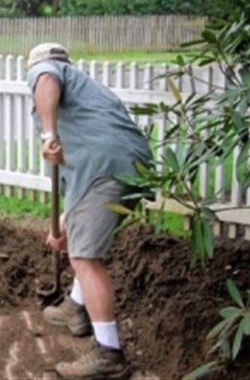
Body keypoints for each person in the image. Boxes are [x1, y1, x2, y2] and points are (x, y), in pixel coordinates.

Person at [27, 43, 152, 379]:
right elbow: (79, 189)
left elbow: (46, 78)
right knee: (82, 242)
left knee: (84, 258)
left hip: (106, 169)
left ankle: (109, 354)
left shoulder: (49, 72)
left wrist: (48, 133)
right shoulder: (91, 94)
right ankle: (76, 307)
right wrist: (65, 222)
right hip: (130, 166)